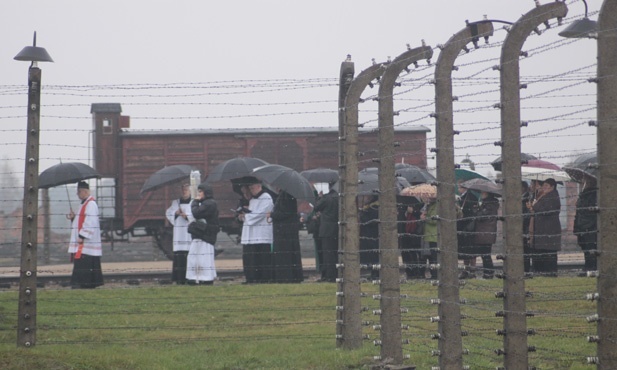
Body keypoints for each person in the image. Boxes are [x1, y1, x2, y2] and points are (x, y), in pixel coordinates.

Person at [67, 181, 104, 289]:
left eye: (79, 192)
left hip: (87, 242)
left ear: (84, 191)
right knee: (82, 263)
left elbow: (90, 222)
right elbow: (80, 221)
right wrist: (74, 218)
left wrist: (82, 236)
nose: (77, 194)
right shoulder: (84, 204)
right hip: (83, 242)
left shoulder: (91, 204)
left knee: (85, 263)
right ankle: (83, 283)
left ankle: (85, 284)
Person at [238, 177, 274, 283]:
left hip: (261, 234)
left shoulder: (266, 198)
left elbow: (259, 214)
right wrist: (242, 215)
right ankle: (251, 278)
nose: (251, 190)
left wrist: (246, 216)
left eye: (253, 188)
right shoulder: (253, 200)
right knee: (250, 258)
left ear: (259, 186)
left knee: (261, 258)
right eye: (250, 188)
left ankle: (262, 279)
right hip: (250, 234)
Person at [186, 182, 219, 285]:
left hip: (205, 235)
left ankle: (205, 278)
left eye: (200, 191)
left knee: (203, 258)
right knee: (195, 257)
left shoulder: (210, 203)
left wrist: (194, 201)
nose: (199, 194)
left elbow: (196, 213)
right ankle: (196, 278)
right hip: (201, 235)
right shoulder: (207, 203)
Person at [528, 178, 561, 275]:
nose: (544, 187)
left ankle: (549, 272)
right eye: (544, 185)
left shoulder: (552, 197)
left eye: (547, 186)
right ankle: (542, 272)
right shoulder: (546, 196)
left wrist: (535, 205)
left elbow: (545, 210)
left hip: (548, 230)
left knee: (548, 253)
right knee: (543, 252)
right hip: (544, 230)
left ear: (552, 187)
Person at [269, 190, 304, 283]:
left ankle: (285, 277)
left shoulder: (286, 195)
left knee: (284, 256)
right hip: (286, 231)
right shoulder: (286, 195)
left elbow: (285, 213)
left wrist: (271, 214)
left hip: (284, 232)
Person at [165, 183, 193, 284]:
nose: (184, 192)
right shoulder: (176, 202)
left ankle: (189, 278)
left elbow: (195, 214)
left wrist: (187, 216)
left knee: (189, 254)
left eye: (186, 190)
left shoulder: (193, 202)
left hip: (188, 232)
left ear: (190, 191)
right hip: (179, 232)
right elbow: (169, 212)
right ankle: (179, 279)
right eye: (183, 190)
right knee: (179, 255)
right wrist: (175, 213)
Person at [313, 181, 339, 282]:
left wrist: (319, 197)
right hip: (336, 228)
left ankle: (330, 276)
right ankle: (336, 274)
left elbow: (316, 207)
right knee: (335, 253)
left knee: (328, 254)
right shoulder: (338, 197)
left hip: (326, 230)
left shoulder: (326, 198)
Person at [471, 191, 500, 279]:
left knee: (485, 253)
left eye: (483, 193)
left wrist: (475, 210)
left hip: (486, 232)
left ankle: (488, 272)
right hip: (485, 232)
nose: (481, 194)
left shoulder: (490, 204)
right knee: (485, 253)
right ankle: (488, 272)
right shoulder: (488, 203)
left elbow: (481, 216)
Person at [573, 177, 598, 272]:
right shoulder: (583, 194)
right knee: (586, 249)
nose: (584, 183)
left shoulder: (593, 194)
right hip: (582, 226)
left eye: (586, 182)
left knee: (591, 249)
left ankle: (591, 268)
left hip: (590, 227)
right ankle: (588, 267)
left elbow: (589, 211)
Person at [457, 180, 479, 278]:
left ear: (464, 188)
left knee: (471, 250)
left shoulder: (470, 197)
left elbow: (472, 213)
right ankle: (466, 270)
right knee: (464, 250)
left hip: (469, 227)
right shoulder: (461, 198)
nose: (458, 189)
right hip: (462, 227)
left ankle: (472, 271)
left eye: (459, 187)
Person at [398, 198, 423, 279]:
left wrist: (413, 211)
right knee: (405, 253)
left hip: (414, 233)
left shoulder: (419, 204)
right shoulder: (402, 206)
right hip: (404, 233)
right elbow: (400, 219)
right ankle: (409, 272)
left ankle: (417, 272)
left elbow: (420, 216)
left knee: (414, 253)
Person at [359, 195, 380, 280]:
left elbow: (369, 221)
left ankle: (376, 273)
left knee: (374, 256)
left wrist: (362, 213)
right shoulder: (370, 208)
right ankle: (373, 273)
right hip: (369, 235)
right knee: (371, 256)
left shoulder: (374, 208)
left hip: (372, 235)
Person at [420, 197, 439, 280]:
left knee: (435, 256)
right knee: (432, 256)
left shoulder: (436, 206)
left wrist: (425, 218)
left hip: (434, 234)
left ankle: (436, 275)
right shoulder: (429, 206)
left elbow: (435, 220)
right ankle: (434, 274)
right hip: (429, 234)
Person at [522, 181, 533, 273]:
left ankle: (526, 269)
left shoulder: (527, 198)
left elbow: (527, 215)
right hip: (522, 228)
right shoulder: (523, 198)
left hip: (524, 228)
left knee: (525, 251)